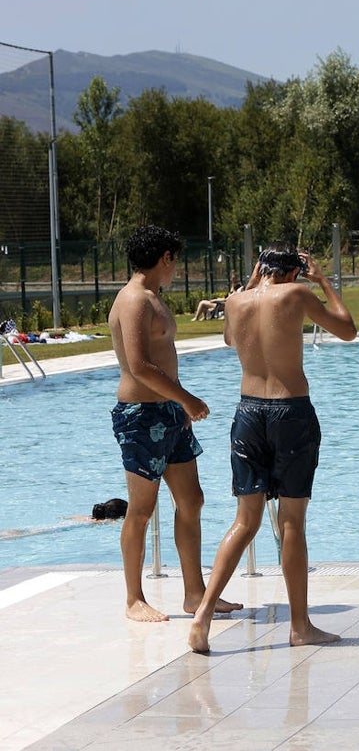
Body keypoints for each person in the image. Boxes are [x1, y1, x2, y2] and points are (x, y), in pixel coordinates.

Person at [188, 243, 357, 654]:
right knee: (291, 523)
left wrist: (247, 284)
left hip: (248, 413)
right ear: (293, 273)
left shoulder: (234, 302)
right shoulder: (296, 293)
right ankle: (300, 627)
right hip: (290, 413)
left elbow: (231, 340)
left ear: (260, 268)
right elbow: (348, 329)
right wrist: (323, 281)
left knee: (245, 521)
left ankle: (204, 614)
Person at [108, 225, 242, 623]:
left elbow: (163, 359)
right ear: (165, 257)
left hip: (168, 413)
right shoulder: (134, 300)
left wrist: (178, 403)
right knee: (142, 508)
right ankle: (134, 599)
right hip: (140, 416)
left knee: (192, 499)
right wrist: (188, 398)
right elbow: (140, 366)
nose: (176, 269)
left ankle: (195, 593)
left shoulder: (153, 298)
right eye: (175, 261)